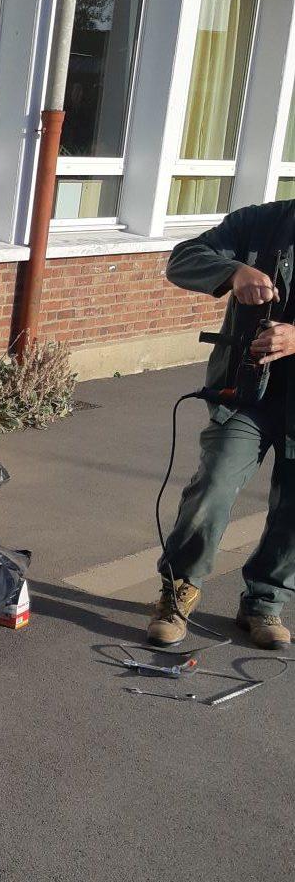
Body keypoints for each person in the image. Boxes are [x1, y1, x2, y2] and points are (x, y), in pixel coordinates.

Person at [150, 199, 295, 649]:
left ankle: (263, 604)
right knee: (212, 484)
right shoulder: (260, 221)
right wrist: (233, 272)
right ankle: (177, 593)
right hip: (246, 394)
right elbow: (182, 260)